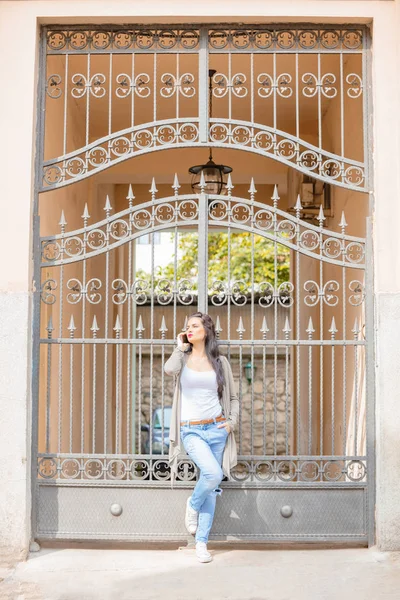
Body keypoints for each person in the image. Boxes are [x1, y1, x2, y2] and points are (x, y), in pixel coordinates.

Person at [164, 312, 239, 563]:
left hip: (218, 429)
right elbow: (168, 370)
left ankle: (201, 543)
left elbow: (233, 398)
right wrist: (179, 346)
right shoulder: (182, 359)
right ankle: (193, 505)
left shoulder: (220, 362)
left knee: (212, 488)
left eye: (194, 326)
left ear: (206, 331)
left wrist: (231, 424)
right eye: (187, 327)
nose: (189, 329)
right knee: (213, 474)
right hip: (191, 430)